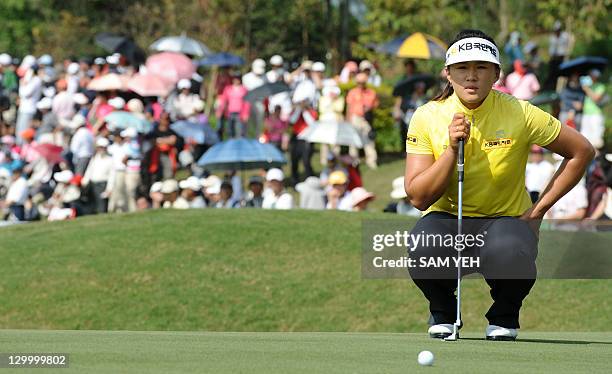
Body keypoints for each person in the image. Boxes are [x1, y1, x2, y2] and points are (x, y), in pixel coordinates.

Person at [404, 29, 594, 341]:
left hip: (506, 222)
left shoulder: (520, 111)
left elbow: (582, 151)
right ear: (447, 73)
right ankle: (443, 310)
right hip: (449, 219)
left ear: (496, 73)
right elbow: (419, 198)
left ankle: (504, 314)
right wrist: (451, 150)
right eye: (463, 68)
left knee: (510, 248)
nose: (471, 77)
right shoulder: (427, 116)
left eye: (481, 68)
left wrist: (537, 213)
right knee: (423, 245)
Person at [346, 72, 379, 169]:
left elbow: (375, 104)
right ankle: (353, 162)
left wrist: (370, 108)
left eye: (362, 82)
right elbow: (349, 107)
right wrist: (348, 119)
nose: (360, 84)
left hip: (366, 119)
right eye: (359, 83)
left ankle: (371, 161)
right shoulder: (352, 92)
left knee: (369, 140)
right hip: (355, 118)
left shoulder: (371, 92)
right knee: (353, 141)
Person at [82, 137, 113, 214]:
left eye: (102, 148)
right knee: (92, 204)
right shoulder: (95, 158)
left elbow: (112, 176)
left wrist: (109, 189)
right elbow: (89, 170)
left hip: (103, 184)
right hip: (93, 184)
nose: (101, 149)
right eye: (99, 147)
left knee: (101, 205)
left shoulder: (110, 160)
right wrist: (85, 181)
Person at [216, 72, 250, 139]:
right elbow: (224, 100)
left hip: (240, 114)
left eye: (237, 79)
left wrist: (246, 113)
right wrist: (220, 110)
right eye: (235, 79)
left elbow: (247, 103)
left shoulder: (244, 89)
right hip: (230, 113)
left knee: (239, 132)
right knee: (230, 131)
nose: (236, 80)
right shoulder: (228, 89)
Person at [580, 69, 606, 149]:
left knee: (596, 138)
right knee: (585, 136)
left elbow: (596, 98)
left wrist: (587, 89)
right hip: (586, 113)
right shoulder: (588, 86)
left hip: (596, 114)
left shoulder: (601, 86)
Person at [546, 21, 571, 90]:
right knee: (553, 75)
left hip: (561, 58)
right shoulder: (552, 38)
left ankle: (563, 88)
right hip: (554, 59)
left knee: (563, 74)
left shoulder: (565, 36)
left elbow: (570, 42)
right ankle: (552, 88)